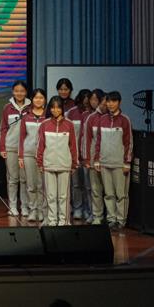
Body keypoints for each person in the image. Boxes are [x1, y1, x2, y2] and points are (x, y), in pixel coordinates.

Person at [92, 91, 134, 230]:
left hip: (119, 164)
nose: (110, 104)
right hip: (104, 163)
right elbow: (98, 141)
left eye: (114, 101)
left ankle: (121, 220)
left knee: (121, 194)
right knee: (108, 194)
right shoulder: (102, 119)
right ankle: (111, 219)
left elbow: (129, 142)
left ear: (119, 102)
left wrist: (127, 162)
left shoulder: (125, 120)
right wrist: (97, 159)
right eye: (108, 101)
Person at [36, 97, 78, 226]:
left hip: (64, 165)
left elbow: (73, 146)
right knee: (50, 196)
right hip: (48, 164)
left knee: (63, 196)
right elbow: (40, 145)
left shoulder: (69, 124)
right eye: (53, 107)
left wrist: (74, 163)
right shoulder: (44, 124)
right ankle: (52, 221)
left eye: (58, 107)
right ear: (49, 109)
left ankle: (63, 221)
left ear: (62, 109)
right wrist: (40, 162)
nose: (55, 110)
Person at [0, 80, 30, 217]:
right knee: (12, 179)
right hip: (11, 147)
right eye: (16, 91)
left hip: (27, 149)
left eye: (22, 91)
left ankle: (25, 206)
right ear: (13, 92)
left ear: (26, 92)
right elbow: (3, 128)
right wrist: (2, 147)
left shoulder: (31, 107)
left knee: (25, 179)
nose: (19, 93)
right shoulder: (7, 108)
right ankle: (12, 206)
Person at [17, 89, 48, 223]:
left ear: (45, 100)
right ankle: (33, 210)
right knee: (31, 184)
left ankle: (41, 210)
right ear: (32, 99)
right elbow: (21, 137)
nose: (38, 100)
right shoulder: (26, 116)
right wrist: (20, 156)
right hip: (28, 154)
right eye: (36, 98)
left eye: (41, 98)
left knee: (41, 184)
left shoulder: (48, 116)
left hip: (44, 155)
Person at [65, 88, 91, 220]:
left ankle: (88, 209)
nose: (86, 101)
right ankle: (77, 208)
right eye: (84, 98)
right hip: (73, 156)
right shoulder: (71, 113)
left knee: (88, 185)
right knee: (75, 184)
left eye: (88, 98)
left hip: (88, 157)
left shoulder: (92, 114)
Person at [84, 89, 107, 224]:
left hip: (109, 160)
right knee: (96, 189)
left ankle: (112, 218)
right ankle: (97, 216)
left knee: (110, 192)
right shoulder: (91, 118)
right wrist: (87, 159)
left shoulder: (115, 118)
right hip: (94, 160)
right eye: (103, 103)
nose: (105, 105)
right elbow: (86, 140)